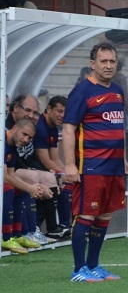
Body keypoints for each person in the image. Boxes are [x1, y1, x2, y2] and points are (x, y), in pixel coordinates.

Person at [61, 42, 128, 282]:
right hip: (91, 165)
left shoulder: (118, 91)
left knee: (105, 215)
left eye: (112, 61)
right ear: (93, 64)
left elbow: (118, 128)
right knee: (86, 216)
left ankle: (94, 265)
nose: (109, 65)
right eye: (104, 61)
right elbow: (69, 129)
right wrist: (70, 165)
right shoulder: (82, 92)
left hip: (113, 167)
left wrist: (123, 159)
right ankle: (78, 269)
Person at [3, 118, 52, 254]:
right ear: (14, 128)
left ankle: (19, 235)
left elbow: (11, 174)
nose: (26, 139)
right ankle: (6, 237)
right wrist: (30, 188)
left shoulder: (12, 145)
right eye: (24, 134)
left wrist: (34, 186)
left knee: (20, 189)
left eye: (29, 137)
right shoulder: (2, 141)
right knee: (8, 189)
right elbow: (5, 177)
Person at [34, 95, 71, 239]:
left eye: (65, 113)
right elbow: (45, 160)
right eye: (59, 111)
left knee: (68, 182)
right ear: (49, 108)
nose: (62, 116)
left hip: (43, 169)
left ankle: (65, 225)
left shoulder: (53, 128)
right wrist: (64, 175)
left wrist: (68, 172)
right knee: (62, 182)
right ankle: (56, 226)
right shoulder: (41, 127)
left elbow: (54, 158)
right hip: (33, 168)